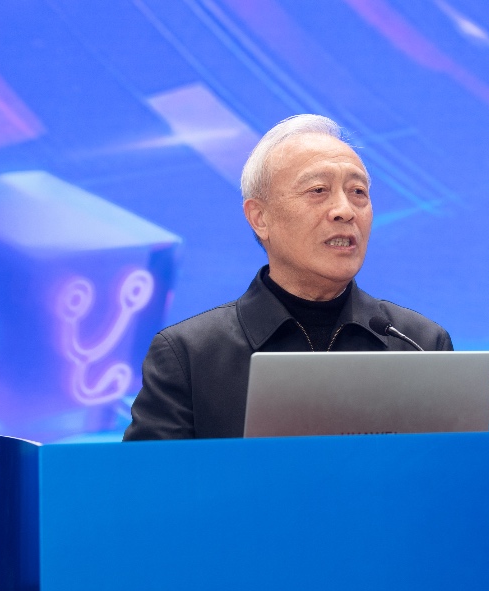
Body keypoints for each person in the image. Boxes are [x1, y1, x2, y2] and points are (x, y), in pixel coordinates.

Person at [123, 115, 452, 440]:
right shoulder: (190, 356)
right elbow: (151, 476)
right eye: (318, 190)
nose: (345, 210)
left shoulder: (420, 344)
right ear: (260, 218)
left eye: (358, 192)